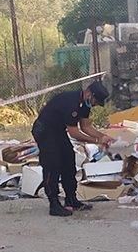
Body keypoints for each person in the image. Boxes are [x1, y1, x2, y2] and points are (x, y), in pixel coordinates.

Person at [31, 80, 114, 217]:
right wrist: (96, 141)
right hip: (45, 130)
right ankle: (54, 203)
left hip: (58, 131)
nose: (94, 104)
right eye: (95, 101)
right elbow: (74, 132)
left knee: (69, 160)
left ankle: (71, 199)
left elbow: (86, 127)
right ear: (88, 93)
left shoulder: (85, 104)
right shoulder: (72, 103)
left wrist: (103, 137)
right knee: (53, 164)